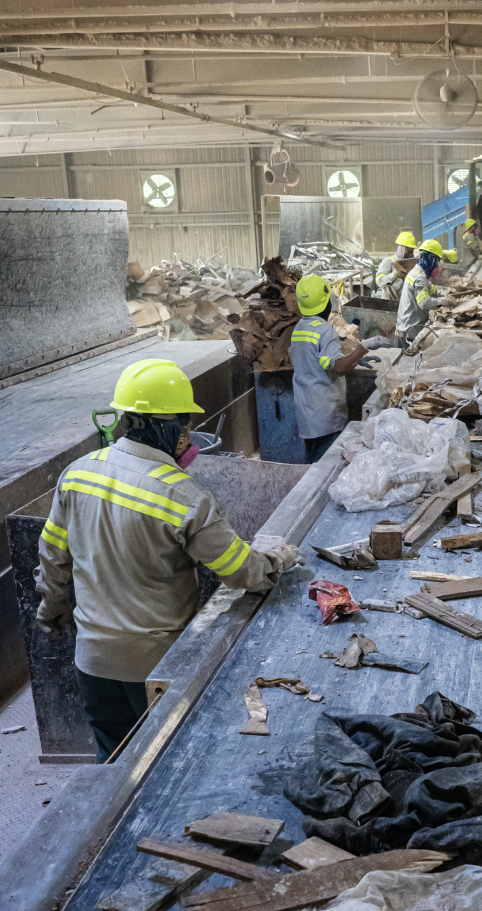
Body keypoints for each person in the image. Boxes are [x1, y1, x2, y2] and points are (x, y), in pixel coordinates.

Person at [34, 359, 300, 761]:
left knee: (114, 765)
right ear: (165, 426)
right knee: (164, 767)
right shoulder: (182, 496)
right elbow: (241, 572)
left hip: (92, 663)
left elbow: (53, 558)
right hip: (157, 667)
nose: (188, 436)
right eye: (185, 424)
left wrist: (50, 609)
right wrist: (277, 559)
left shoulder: (77, 475)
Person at [289, 273, 368, 462]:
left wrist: (354, 360)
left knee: (314, 463)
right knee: (326, 467)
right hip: (326, 416)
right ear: (327, 303)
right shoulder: (325, 331)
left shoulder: (299, 328)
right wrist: (363, 349)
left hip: (307, 414)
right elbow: (338, 368)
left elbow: (320, 362)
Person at [396, 238, 445, 349]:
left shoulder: (416, 272)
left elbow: (427, 288)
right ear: (431, 260)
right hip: (409, 332)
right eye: (436, 261)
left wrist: (440, 293)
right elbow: (424, 303)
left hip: (406, 328)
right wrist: (442, 302)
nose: (436, 265)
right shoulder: (419, 277)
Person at [375, 231, 417, 301]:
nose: (410, 254)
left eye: (411, 251)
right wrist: (393, 275)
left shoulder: (411, 263)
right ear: (401, 248)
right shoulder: (388, 262)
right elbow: (379, 281)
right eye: (408, 251)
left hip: (405, 304)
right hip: (390, 304)